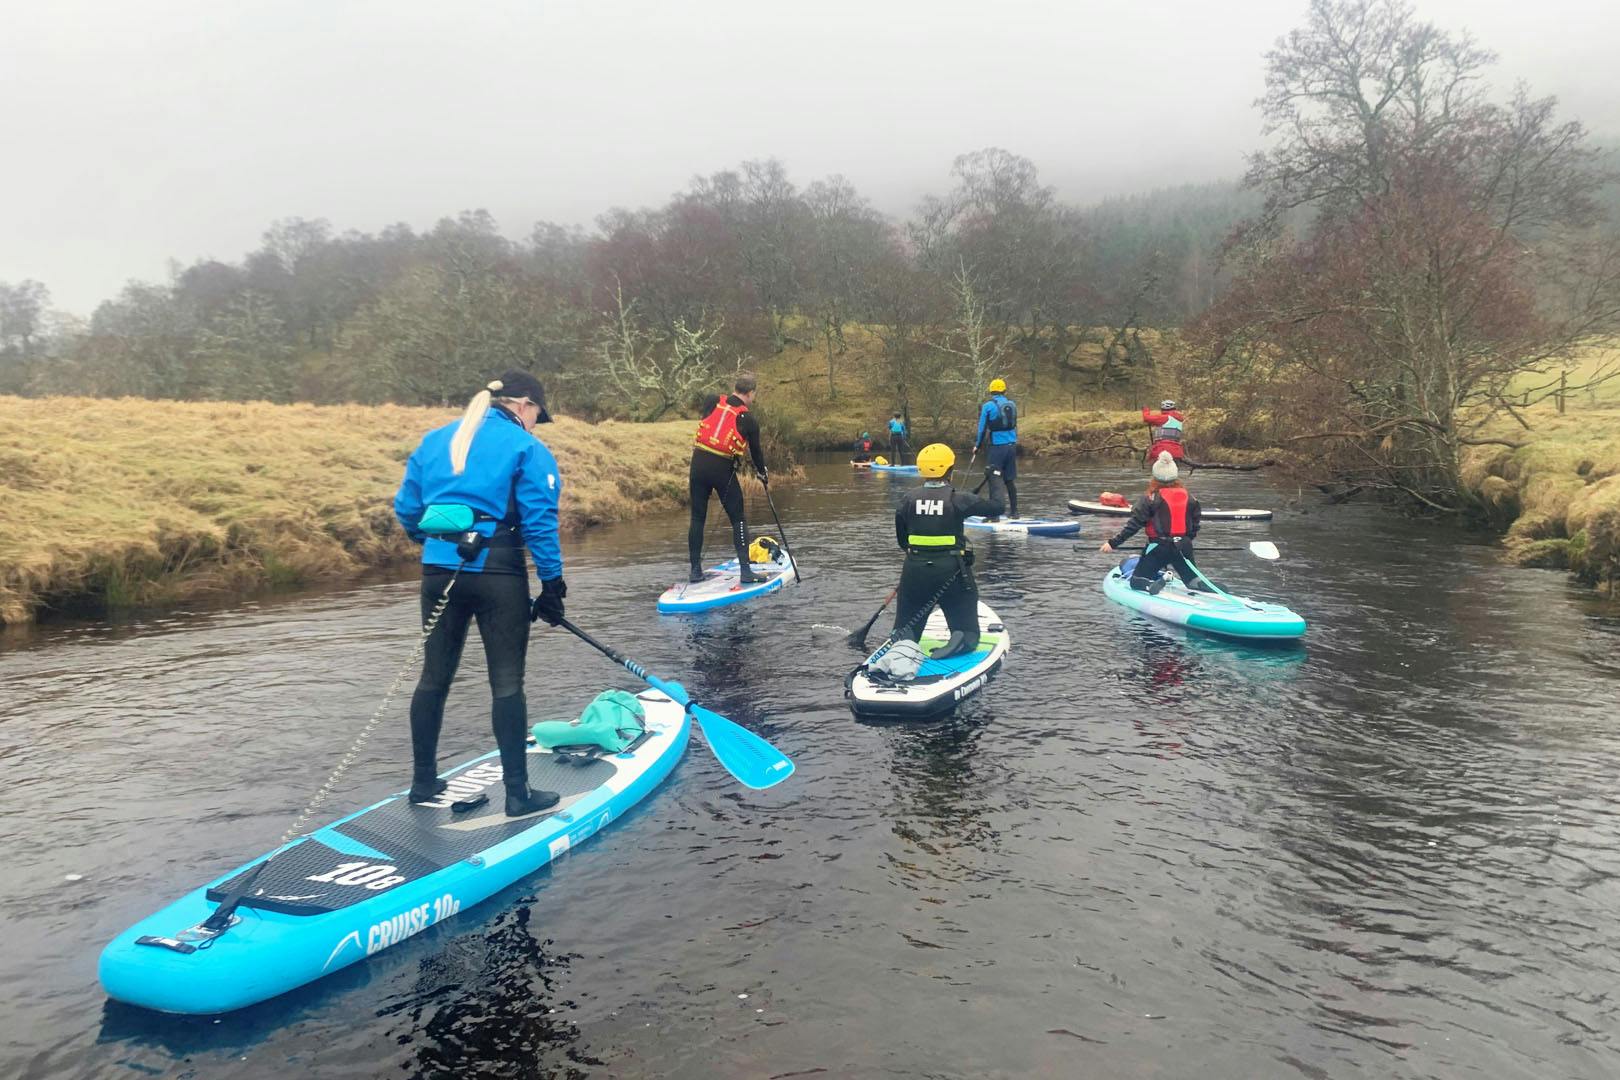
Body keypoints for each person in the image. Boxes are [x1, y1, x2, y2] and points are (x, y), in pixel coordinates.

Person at [393, 371, 567, 817]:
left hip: (438, 571)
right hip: (499, 574)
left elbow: (408, 510)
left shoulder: (435, 441)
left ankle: (423, 782)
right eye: (537, 416)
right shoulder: (527, 448)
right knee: (507, 682)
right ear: (524, 406)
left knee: (434, 677)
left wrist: (431, 543)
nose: (535, 424)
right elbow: (539, 521)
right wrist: (552, 585)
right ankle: (517, 795)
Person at [890, 443, 1008, 657]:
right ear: (950, 470)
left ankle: (904, 640)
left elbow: (902, 541)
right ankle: (961, 638)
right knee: (969, 633)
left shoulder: (907, 499)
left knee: (905, 628)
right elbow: (998, 506)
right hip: (952, 573)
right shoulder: (960, 499)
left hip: (914, 572)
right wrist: (995, 477)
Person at [689, 372, 769, 584]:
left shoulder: (713, 400)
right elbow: (757, 453)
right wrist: (763, 474)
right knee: (738, 518)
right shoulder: (748, 419)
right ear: (751, 393)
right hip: (721, 469)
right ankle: (746, 571)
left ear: (735, 387)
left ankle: (695, 571)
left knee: (698, 517)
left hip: (697, 465)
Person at [1099, 451, 1205, 593]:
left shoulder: (1150, 499)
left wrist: (1112, 543)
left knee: (1136, 583)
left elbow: (1133, 526)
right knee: (1192, 581)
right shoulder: (1191, 498)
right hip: (1183, 546)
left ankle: (1152, 585)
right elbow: (1195, 525)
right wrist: (1184, 540)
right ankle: (1206, 587)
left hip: (1159, 547)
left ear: (1155, 477)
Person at [974, 378, 1019, 519]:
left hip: (997, 448)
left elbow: (982, 428)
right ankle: (1015, 513)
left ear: (991, 391)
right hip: (1011, 447)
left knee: (994, 479)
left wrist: (977, 445)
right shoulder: (1012, 404)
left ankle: (994, 516)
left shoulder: (988, 406)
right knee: (1009, 479)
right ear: (1004, 390)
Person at [1141, 399, 1186, 466]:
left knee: (1156, 473)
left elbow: (1146, 418)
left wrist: (1145, 410)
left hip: (1161, 451)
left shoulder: (1164, 418)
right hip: (1177, 452)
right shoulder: (1179, 419)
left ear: (1162, 409)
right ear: (1174, 409)